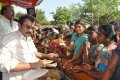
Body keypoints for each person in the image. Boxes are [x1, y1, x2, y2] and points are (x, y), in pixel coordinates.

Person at [0, 14, 58, 80]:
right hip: (17, 77)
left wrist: (46, 56)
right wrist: (32, 65)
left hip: (32, 73)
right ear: (19, 25)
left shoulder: (28, 38)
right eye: (27, 27)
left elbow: (33, 52)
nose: (30, 30)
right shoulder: (9, 39)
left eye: (32, 28)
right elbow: (3, 65)